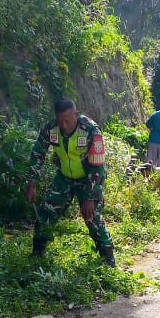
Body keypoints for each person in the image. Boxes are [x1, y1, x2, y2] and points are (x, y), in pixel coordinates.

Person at [26, 98, 115, 267]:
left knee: (92, 218)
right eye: (60, 121)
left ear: (76, 114)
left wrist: (90, 197)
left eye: (67, 120)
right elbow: (38, 154)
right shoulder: (51, 129)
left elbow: (98, 167)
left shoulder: (91, 131)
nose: (64, 126)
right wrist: (31, 182)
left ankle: (108, 259)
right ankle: (37, 253)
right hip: (64, 178)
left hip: (89, 180)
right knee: (46, 212)